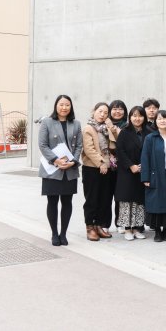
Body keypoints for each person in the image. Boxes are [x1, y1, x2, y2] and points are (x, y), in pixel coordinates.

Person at [38, 95, 82, 246]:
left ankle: (63, 234)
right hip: (52, 168)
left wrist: (73, 161)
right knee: (52, 201)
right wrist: (55, 160)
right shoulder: (47, 122)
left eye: (67, 105)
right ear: (56, 106)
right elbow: (43, 145)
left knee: (67, 201)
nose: (64, 107)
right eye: (61, 104)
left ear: (71, 107)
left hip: (69, 169)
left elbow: (78, 146)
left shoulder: (76, 124)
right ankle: (54, 234)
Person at [141, 111, 166, 242]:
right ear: (155, 122)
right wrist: (145, 178)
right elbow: (145, 158)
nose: (162, 121)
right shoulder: (150, 138)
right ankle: (157, 231)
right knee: (157, 202)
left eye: (165, 118)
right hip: (155, 174)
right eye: (159, 119)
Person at [115, 106, 149, 240]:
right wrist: (131, 166)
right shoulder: (124, 132)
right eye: (134, 115)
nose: (137, 118)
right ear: (130, 117)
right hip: (127, 172)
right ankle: (127, 229)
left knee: (139, 201)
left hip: (143, 170)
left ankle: (136, 228)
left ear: (144, 118)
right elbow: (120, 151)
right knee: (127, 200)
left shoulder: (149, 131)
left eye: (140, 115)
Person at [81, 102, 113, 241]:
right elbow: (89, 149)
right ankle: (90, 227)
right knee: (92, 199)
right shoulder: (88, 128)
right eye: (100, 111)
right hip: (92, 169)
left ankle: (99, 225)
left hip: (107, 168)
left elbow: (113, 145)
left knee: (104, 199)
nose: (102, 114)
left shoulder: (106, 129)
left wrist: (111, 129)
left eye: (106, 113)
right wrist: (101, 163)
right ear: (94, 111)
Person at [105, 99, 127, 233]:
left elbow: (123, 143)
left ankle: (120, 223)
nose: (117, 111)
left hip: (122, 165)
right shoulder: (102, 125)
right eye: (114, 108)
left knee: (120, 196)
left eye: (120, 109)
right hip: (107, 164)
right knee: (106, 196)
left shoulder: (127, 126)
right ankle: (105, 223)